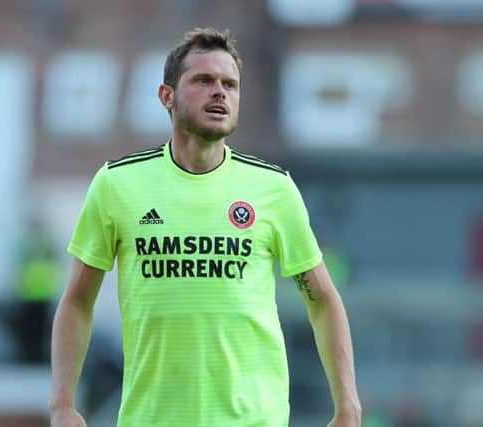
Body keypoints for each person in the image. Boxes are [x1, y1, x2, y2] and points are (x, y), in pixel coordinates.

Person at [50, 28, 361, 427]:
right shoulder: (117, 185)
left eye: (230, 84)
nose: (220, 92)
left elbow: (322, 299)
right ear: (167, 96)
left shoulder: (273, 188)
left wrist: (348, 405)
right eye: (203, 81)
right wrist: (62, 403)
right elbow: (77, 301)